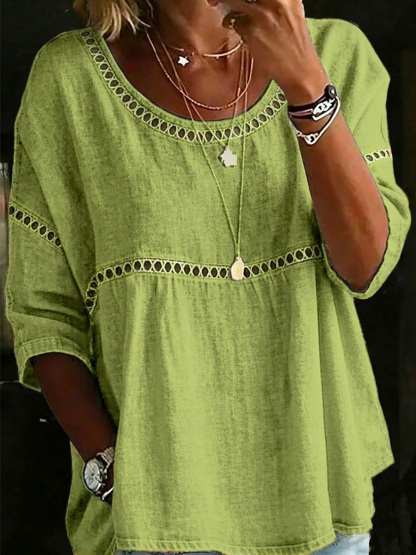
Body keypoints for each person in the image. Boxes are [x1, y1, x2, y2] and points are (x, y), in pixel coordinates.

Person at [4, 0, 412, 554]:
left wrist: (307, 86)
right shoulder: (69, 79)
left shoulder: (338, 54)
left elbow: (366, 267)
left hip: (321, 505)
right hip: (154, 521)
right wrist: (113, 472)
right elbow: (44, 311)